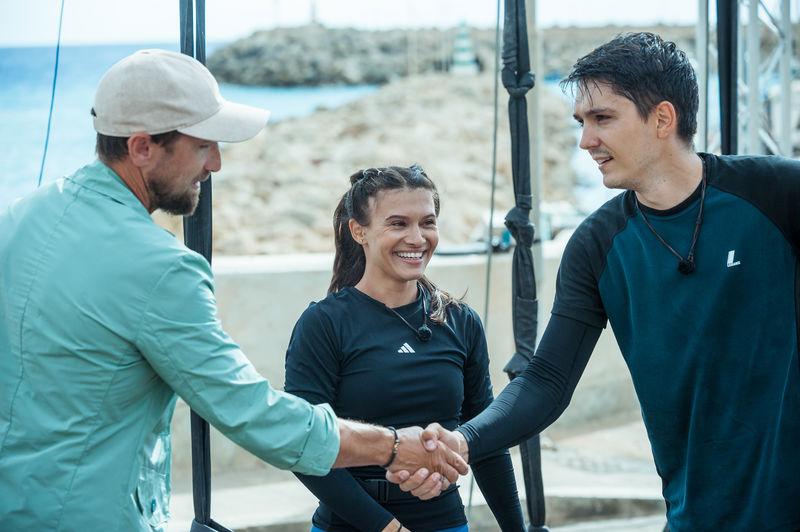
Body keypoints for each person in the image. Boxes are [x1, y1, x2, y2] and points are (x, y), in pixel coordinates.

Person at [0, 49, 467, 531]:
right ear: (142, 148)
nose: (216, 164)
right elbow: (252, 414)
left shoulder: (18, 219)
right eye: (204, 145)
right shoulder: (160, 267)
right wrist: (392, 445)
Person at [389, 32, 800, 531]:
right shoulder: (597, 244)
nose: (585, 141)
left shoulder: (777, 193)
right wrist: (463, 441)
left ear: (662, 119)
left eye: (602, 118)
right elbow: (546, 381)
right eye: (581, 123)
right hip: (696, 515)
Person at [283, 165, 525, 532]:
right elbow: (304, 444)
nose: (417, 238)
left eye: (427, 223)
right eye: (398, 224)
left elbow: (487, 444)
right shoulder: (324, 323)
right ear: (359, 231)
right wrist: (388, 528)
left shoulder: (460, 321)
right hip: (351, 525)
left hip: (445, 521)